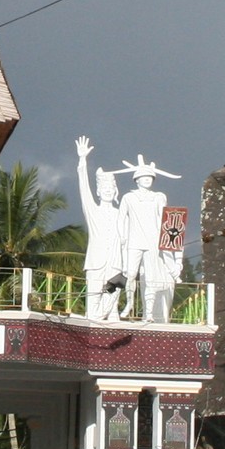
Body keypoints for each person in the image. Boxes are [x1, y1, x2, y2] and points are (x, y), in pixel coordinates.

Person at [118, 154, 184, 320]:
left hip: (153, 242)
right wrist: (122, 238)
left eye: (150, 177)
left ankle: (148, 313)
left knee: (152, 277)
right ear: (137, 179)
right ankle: (129, 303)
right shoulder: (129, 197)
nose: (147, 179)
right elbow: (120, 220)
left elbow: (168, 220)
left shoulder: (158, 197)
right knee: (131, 274)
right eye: (143, 177)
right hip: (134, 241)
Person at [74, 136, 129, 321]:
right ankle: (94, 317)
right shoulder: (93, 211)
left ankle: (112, 315)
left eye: (110, 187)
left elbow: (127, 237)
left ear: (115, 192)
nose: (107, 190)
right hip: (96, 262)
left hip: (115, 262)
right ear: (98, 191)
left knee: (112, 298)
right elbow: (83, 188)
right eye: (104, 187)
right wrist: (82, 160)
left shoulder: (121, 213)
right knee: (94, 298)